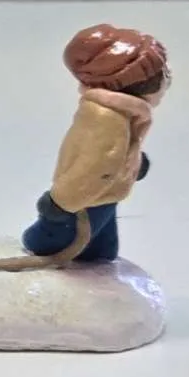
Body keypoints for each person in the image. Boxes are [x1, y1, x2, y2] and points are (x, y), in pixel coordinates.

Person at [22, 24, 169, 263]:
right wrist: (59, 203)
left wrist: (135, 163)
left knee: (101, 253)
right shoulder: (107, 117)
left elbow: (114, 156)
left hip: (103, 197)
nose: (166, 80)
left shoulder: (123, 114)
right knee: (42, 243)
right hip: (82, 202)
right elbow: (98, 167)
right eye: (163, 75)